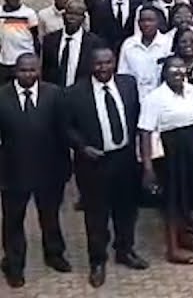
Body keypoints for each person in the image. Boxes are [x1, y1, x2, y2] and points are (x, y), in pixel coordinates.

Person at [63, 46, 148, 288]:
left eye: (108, 63)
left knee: (127, 210)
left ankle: (125, 250)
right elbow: (66, 127)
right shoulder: (74, 93)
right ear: (91, 65)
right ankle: (98, 260)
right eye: (98, 64)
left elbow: (138, 119)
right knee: (96, 215)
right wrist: (82, 147)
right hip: (94, 163)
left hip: (125, 160)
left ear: (114, 63)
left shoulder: (128, 84)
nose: (103, 68)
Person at [0, 53, 71, 288]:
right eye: (23, 70)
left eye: (32, 70)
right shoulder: (1, 96)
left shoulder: (55, 94)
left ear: (39, 70)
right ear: (15, 71)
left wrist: (66, 167)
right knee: (13, 222)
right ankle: (14, 265)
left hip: (50, 171)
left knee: (50, 217)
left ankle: (54, 255)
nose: (28, 75)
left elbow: (64, 132)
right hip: (13, 173)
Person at [138, 56, 193, 265]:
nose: (178, 74)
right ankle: (172, 248)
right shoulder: (155, 98)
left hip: (192, 150)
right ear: (164, 73)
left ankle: (185, 236)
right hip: (170, 154)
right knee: (172, 201)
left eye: (181, 70)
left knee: (187, 197)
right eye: (172, 71)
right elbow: (146, 132)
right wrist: (148, 167)